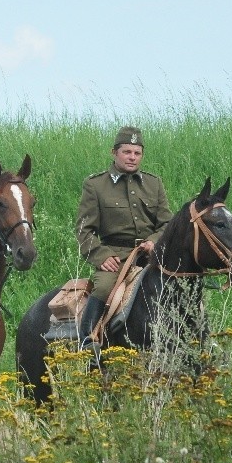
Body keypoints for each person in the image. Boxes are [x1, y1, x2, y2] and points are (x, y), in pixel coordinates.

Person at [75, 126, 173, 350]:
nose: (132, 157)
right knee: (102, 288)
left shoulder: (153, 183)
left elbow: (166, 223)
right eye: (127, 152)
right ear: (114, 153)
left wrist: (155, 241)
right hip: (116, 259)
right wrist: (100, 256)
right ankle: (88, 341)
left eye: (137, 153)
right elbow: (84, 229)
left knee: (183, 282)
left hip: (151, 255)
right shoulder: (96, 185)